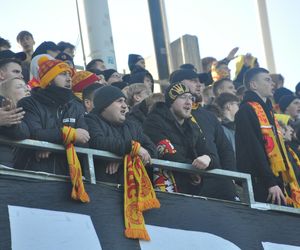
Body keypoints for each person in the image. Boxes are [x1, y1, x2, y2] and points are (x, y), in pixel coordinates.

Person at [235, 67, 300, 207]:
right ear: (253, 85)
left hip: (278, 182)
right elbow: (254, 149)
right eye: (267, 80)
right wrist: (270, 182)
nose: (273, 84)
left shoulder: (269, 113)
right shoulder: (246, 110)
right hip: (262, 184)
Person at [15, 56, 90, 176]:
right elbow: (34, 133)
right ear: (49, 80)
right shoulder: (29, 103)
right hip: (35, 173)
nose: (69, 79)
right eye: (63, 74)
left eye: (69, 75)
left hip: (70, 176)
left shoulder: (75, 106)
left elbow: (84, 138)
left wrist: (50, 144)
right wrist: (70, 135)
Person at [170, 69, 238, 201]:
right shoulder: (168, 113)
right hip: (188, 186)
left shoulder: (208, 115)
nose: (199, 84)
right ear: (177, 85)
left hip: (220, 186)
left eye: (200, 81)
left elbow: (225, 149)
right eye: (193, 80)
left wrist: (231, 179)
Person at [144, 83, 215, 194]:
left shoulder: (193, 127)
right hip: (163, 190)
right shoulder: (154, 121)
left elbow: (211, 155)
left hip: (190, 190)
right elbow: (167, 152)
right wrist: (192, 170)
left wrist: (207, 158)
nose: (188, 102)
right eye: (183, 97)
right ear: (171, 102)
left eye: (191, 98)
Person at [85, 85, 156, 183]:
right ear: (105, 105)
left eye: (125, 101)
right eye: (119, 101)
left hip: (133, 191)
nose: (125, 105)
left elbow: (152, 150)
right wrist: (131, 147)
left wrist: (123, 158)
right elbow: (97, 141)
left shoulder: (132, 126)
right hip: (103, 188)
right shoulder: (90, 120)